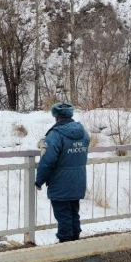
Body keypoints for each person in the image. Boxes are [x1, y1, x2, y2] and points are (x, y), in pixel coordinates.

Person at [35, 102, 90, 243]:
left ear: (56, 117)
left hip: (60, 182)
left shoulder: (55, 135)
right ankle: (75, 241)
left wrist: (39, 180)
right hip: (78, 180)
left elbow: (48, 160)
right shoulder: (82, 132)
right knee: (73, 213)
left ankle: (66, 246)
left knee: (63, 215)